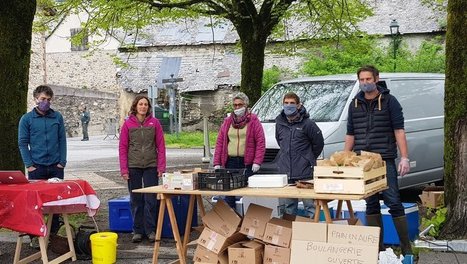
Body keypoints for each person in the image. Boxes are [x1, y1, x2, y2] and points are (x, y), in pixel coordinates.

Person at [344, 65, 412, 255]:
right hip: (362, 161)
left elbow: (399, 131)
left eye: (368, 79)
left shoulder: (390, 101)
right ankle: (378, 249)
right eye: (362, 80)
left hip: (384, 159)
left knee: (393, 202)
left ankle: (406, 247)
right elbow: (350, 133)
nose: (365, 83)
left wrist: (404, 157)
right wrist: (345, 158)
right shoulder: (354, 104)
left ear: (376, 79)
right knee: (370, 203)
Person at [18, 85, 67, 239]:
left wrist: (62, 162)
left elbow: (62, 140)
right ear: (36, 99)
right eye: (43, 99)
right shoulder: (27, 119)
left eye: (48, 99)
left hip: (55, 167)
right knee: (35, 204)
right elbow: (22, 143)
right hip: (36, 167)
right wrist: (29, 165)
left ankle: (53, 235)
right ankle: (35, 236)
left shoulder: (57, 117)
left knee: (56, 203)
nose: (46, 102)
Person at [119, 95, 166, 243]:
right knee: (136, 199)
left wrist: (161, 167)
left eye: (146, 104)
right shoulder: (128, 124)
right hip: (133, 166)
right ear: (135, 106)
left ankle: (151, 230)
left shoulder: (155, 123)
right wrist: (124, 169)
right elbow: (123, 148)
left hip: (151, 166)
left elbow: (161, 146)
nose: (143, 107)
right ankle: (138, 230)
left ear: (148, 107)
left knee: (151, 199)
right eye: (141, 104)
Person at [275, 92, 324, 218]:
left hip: (305, 173)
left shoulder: (308, 124)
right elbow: (280, 142)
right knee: (288, 208)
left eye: (292, 103)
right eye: (286, 103)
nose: (289, 105)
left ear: (298, 105)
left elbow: (318, 143)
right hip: (286, 171)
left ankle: (312, 234)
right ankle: (289, 235)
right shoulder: (279, 123)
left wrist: (307, 158)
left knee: (310, 207)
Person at [213, 92, 265, 209]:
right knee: (230, 194)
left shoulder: (253, 120)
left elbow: (261, 142)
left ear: (245, 105)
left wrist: (257, 161)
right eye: (235, 105)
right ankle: (232, 222)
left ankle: (249, 222)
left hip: (247, 163)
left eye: (240, 105)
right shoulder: (227, 121)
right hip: (230, 162)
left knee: (249, 193)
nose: (237, 107)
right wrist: (216, 162)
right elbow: (220, 142)